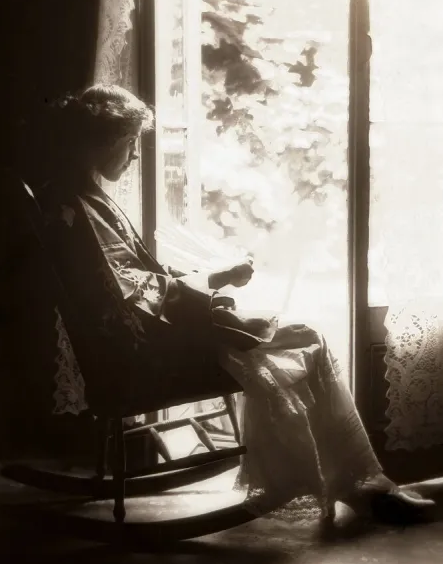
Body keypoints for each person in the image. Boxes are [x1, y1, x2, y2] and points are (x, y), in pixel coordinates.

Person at [23, 83, 435, 524]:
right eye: (130, 144)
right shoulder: (74, 209)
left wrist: (209, 283)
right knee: (305, 339)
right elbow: (132, 291)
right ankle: (349, 484)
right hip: (143, 358)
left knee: (303, 337)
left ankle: (356, 482)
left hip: (153, 343)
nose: (135, 156)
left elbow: (135, 281)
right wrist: (217, 282)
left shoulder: (82, 198)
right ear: (103, 143)